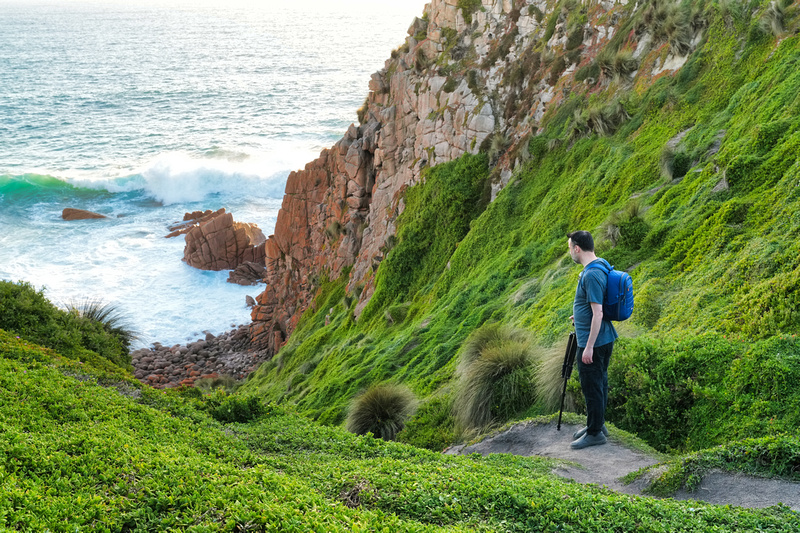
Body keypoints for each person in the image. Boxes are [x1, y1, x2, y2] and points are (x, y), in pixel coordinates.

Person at [567, 230, 618, 449]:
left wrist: (587, 347)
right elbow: (592, 308)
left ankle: (595, 433)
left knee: (592, 387)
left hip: (594, 343)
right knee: (600, 383)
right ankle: (597, 424)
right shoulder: (601, 265)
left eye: (570, 247)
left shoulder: (591, 275)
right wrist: (578, 316)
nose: (569, 251)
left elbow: (598, 313)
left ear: (577, 248)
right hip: (602, 337)